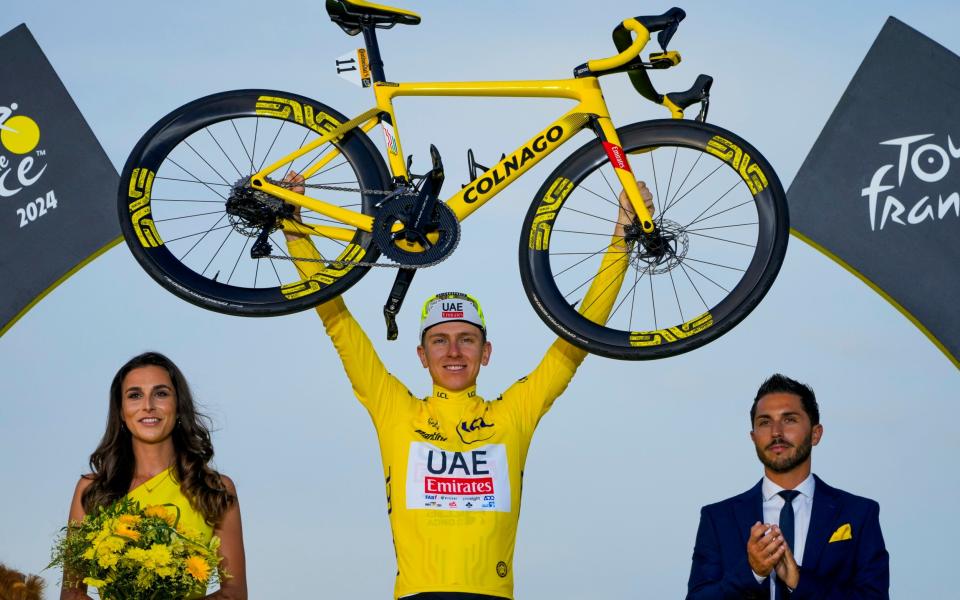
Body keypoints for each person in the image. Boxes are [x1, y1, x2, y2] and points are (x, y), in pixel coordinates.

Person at [285, 172, 649, 599]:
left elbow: (578, 336)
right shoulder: (397, 410)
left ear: (486, 352)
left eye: (466, 339)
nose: (453, 352)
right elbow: (337, 321)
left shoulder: (513, 413)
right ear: (422, 355)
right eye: (439, 340)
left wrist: (622, 237)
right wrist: (295, 228)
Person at [60, 352, 247, 600]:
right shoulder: (92, 490)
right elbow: (72, 592)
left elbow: (234, 594)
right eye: (135, 395)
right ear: (121, 410)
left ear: (179, 406)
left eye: (161, 393)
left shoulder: (215, 488)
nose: (148, 405)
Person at [686, 374, 889, 599]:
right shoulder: (718, 518)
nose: (776, 432)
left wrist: (799, 581)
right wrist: (753, 572)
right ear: (753, 437)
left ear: (815, 433)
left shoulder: (859, 513)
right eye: (765, 422)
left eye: (789, 419)